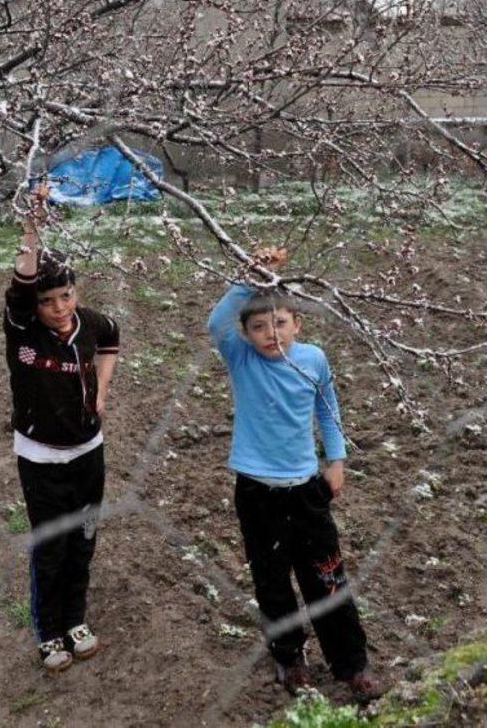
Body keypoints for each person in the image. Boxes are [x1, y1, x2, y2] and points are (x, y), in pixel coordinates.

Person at [207, 247, 382, 704]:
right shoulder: (241, 360)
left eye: (280, 322)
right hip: (256, 493)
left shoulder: (313, 360)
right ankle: (289, 658)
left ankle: (351, 665)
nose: (271, 334)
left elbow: (328, 410)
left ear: (297, 323)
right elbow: (214, 323)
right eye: (259, 326)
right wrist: (250, 277)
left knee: (327, 579)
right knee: (271, 580)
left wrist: (337, 460)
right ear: (245, 333)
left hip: (307, 491)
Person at [4, 188, 120, 673]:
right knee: (51, 546)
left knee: (84, 537)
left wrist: (103, 391)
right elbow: (23, 278)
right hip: (42, 458)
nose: (58, 307)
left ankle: (75, 618)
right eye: (48, 300)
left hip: (88, 453)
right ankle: (48, 631)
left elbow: (112, 339)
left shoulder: (88, 324)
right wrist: (33, 220)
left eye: (66, 295)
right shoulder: (22, 329)